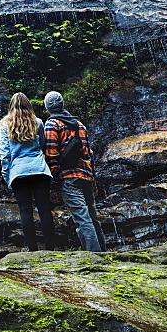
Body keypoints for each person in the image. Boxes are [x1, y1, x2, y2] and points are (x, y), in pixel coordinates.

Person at [43, 90, 106, 252]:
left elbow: (52, 155)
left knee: (82, 218)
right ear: (62, 104)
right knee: (93, 217)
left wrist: (52, 181)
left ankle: (95, 257)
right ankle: (103, 253)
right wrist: (94, 180)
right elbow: (88, 154)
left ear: (48, 108)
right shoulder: (80, 125)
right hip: (86, 176)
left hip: (68, 177)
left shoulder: (52, 124)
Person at [0, 92, 56, 251]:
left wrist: (8, 176)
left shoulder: (5, 124)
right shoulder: (38, 122)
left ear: (11, 106)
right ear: (28, 105)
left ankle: (32, 250)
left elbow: (4, 154)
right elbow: (44, 145)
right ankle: (51, 248)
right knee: (44, 209)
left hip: (18, 172)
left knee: (25, 210)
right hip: (40, 170)